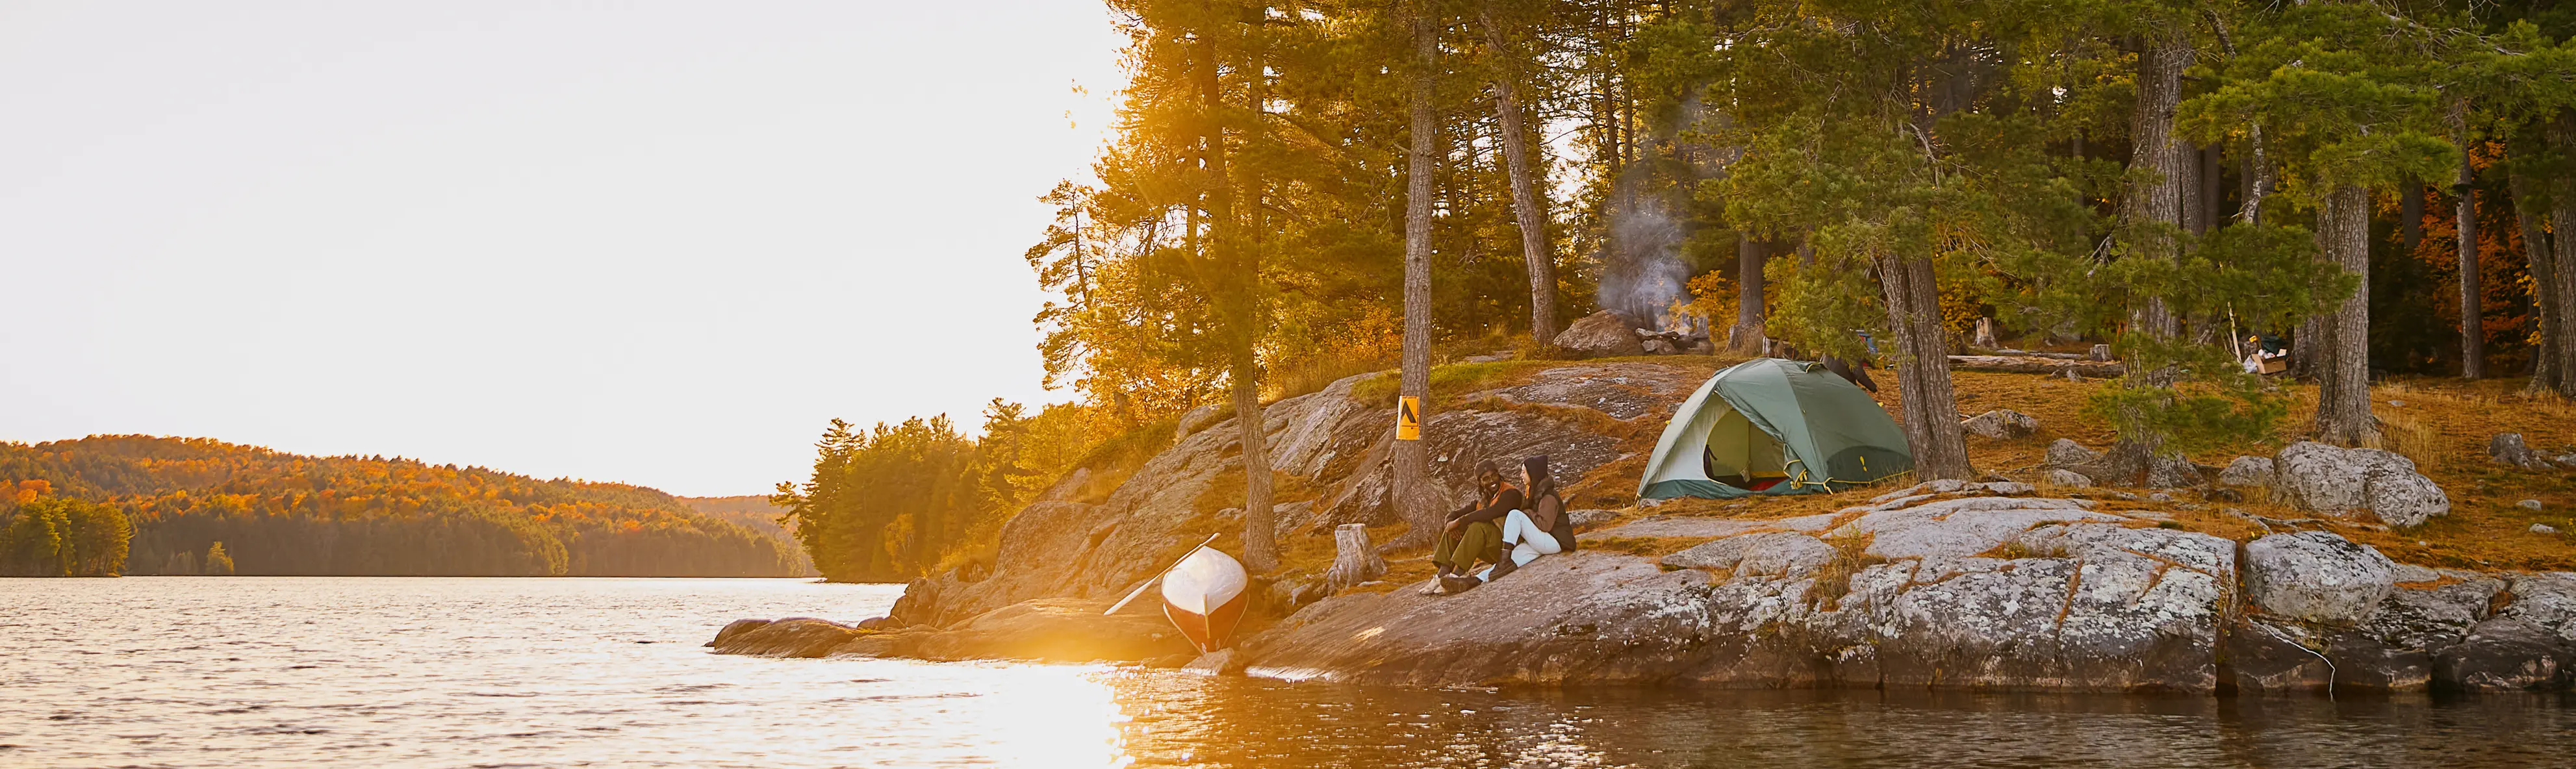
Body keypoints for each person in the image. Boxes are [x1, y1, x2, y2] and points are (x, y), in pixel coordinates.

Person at [1438, 455, 1574, 594]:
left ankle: (1502, 559)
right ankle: (1472, 581)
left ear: (1533, 474)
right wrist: (1452, 522)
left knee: (1515, 515)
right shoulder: (1534, 492)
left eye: (1524, 472)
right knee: (1505, 566)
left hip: (1556, 542)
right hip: (1541, 543)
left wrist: (1526, 514)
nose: (1521, 475)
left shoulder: (1548, 496)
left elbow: (1545, 525)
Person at [1428, 460, 1520, 594]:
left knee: (1477, 527)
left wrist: (1460, 521)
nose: (1492, 481)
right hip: (1492, 550)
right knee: (1455, 529)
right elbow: (1454, 514)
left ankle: (1457, 576)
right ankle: (1442, 575)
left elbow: (1492, 513)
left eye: (1494, 476)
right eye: (1486, 479)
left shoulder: (1511, 494)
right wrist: (1450, 524)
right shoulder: (1483, 500)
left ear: (1499, 475)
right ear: (1481, 483)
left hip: (1509, 551)